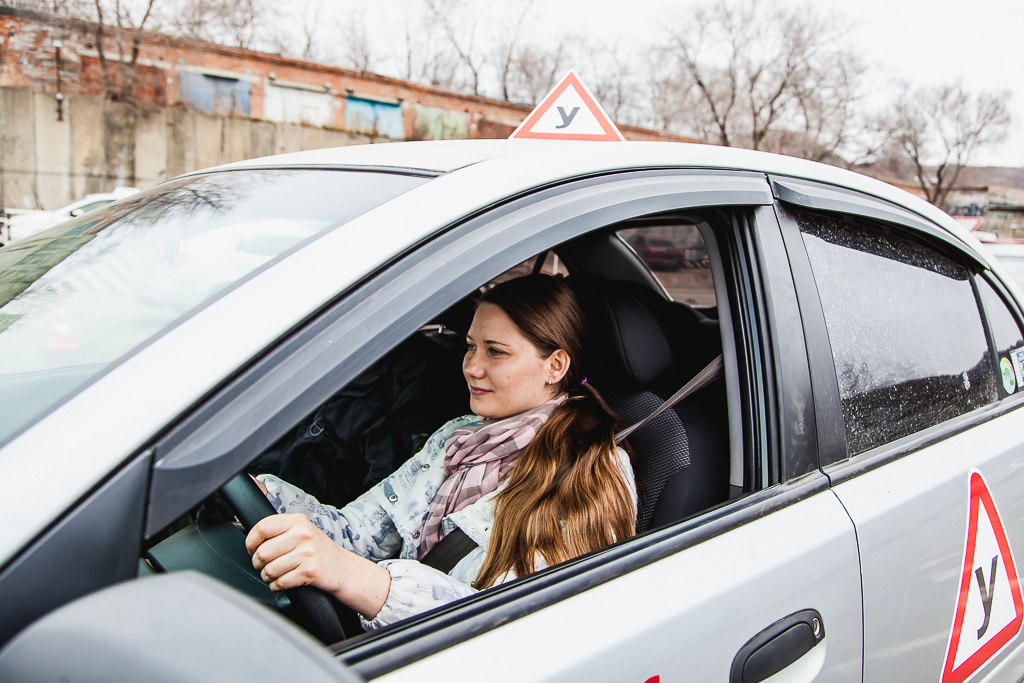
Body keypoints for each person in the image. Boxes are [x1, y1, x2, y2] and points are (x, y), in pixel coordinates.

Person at [246, 274, 637, 630]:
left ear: (555, 366)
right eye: (471, 347)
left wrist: (353, 576)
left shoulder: (590, 470)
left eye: (495, 352)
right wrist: (263, 495)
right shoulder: (458, 435)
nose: (471, 367)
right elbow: (357, 532)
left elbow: (511, 626)